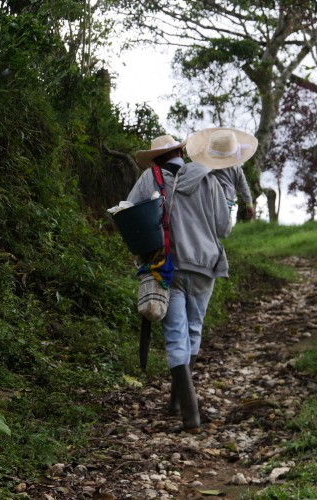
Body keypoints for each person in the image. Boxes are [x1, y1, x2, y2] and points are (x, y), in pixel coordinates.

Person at [127, 131, 242, 433]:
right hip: (205, 266)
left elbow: (129, 215)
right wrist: (229, 201)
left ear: (157, 158)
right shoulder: (210, 179)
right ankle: (177, 403)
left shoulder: (151, 177)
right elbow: (224, 229)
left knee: (176, 335)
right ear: (181, 153)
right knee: (193, 330)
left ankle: (190, 415)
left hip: (169, 265)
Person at [186, 127, 258, 219]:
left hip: (209, 197)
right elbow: (244, 187)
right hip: (227, 200)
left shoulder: (207, 166)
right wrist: (249, 204)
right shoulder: (237, 170)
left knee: (207, 224)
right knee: (221, 225)